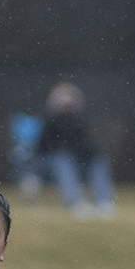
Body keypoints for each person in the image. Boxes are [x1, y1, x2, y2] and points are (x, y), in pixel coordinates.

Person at [36, 83, 115, 218]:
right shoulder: (48, 123)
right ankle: (74, 202)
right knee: (63, 160)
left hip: (76, 163)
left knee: (98, 161)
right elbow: (44, 148)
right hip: (51, 166)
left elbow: (88, 146)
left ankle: (104, 202)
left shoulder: (80, 123)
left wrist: (92, 155)